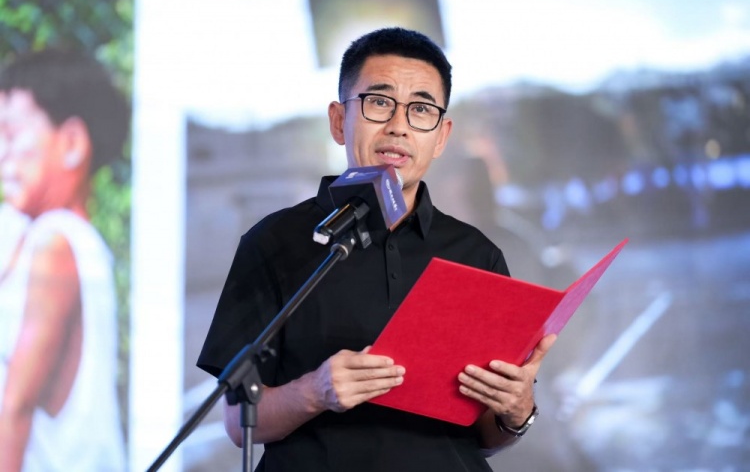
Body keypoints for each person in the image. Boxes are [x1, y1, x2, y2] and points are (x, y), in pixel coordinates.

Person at [197, 27, 557, 471]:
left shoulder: (476, 254)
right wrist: (314, 392)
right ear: (338, 121)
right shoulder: (273, 242)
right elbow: (240, 423)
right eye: (379, 102)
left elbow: (484, 435)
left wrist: (516, 411)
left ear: (441, 136)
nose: (398, 126)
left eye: (420, 109)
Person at [0, 49, 128, 471]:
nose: (2, 155)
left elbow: (15, 407)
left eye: (12, 135)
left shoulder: (56, 244)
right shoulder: (43, 234)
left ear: (71, 143)